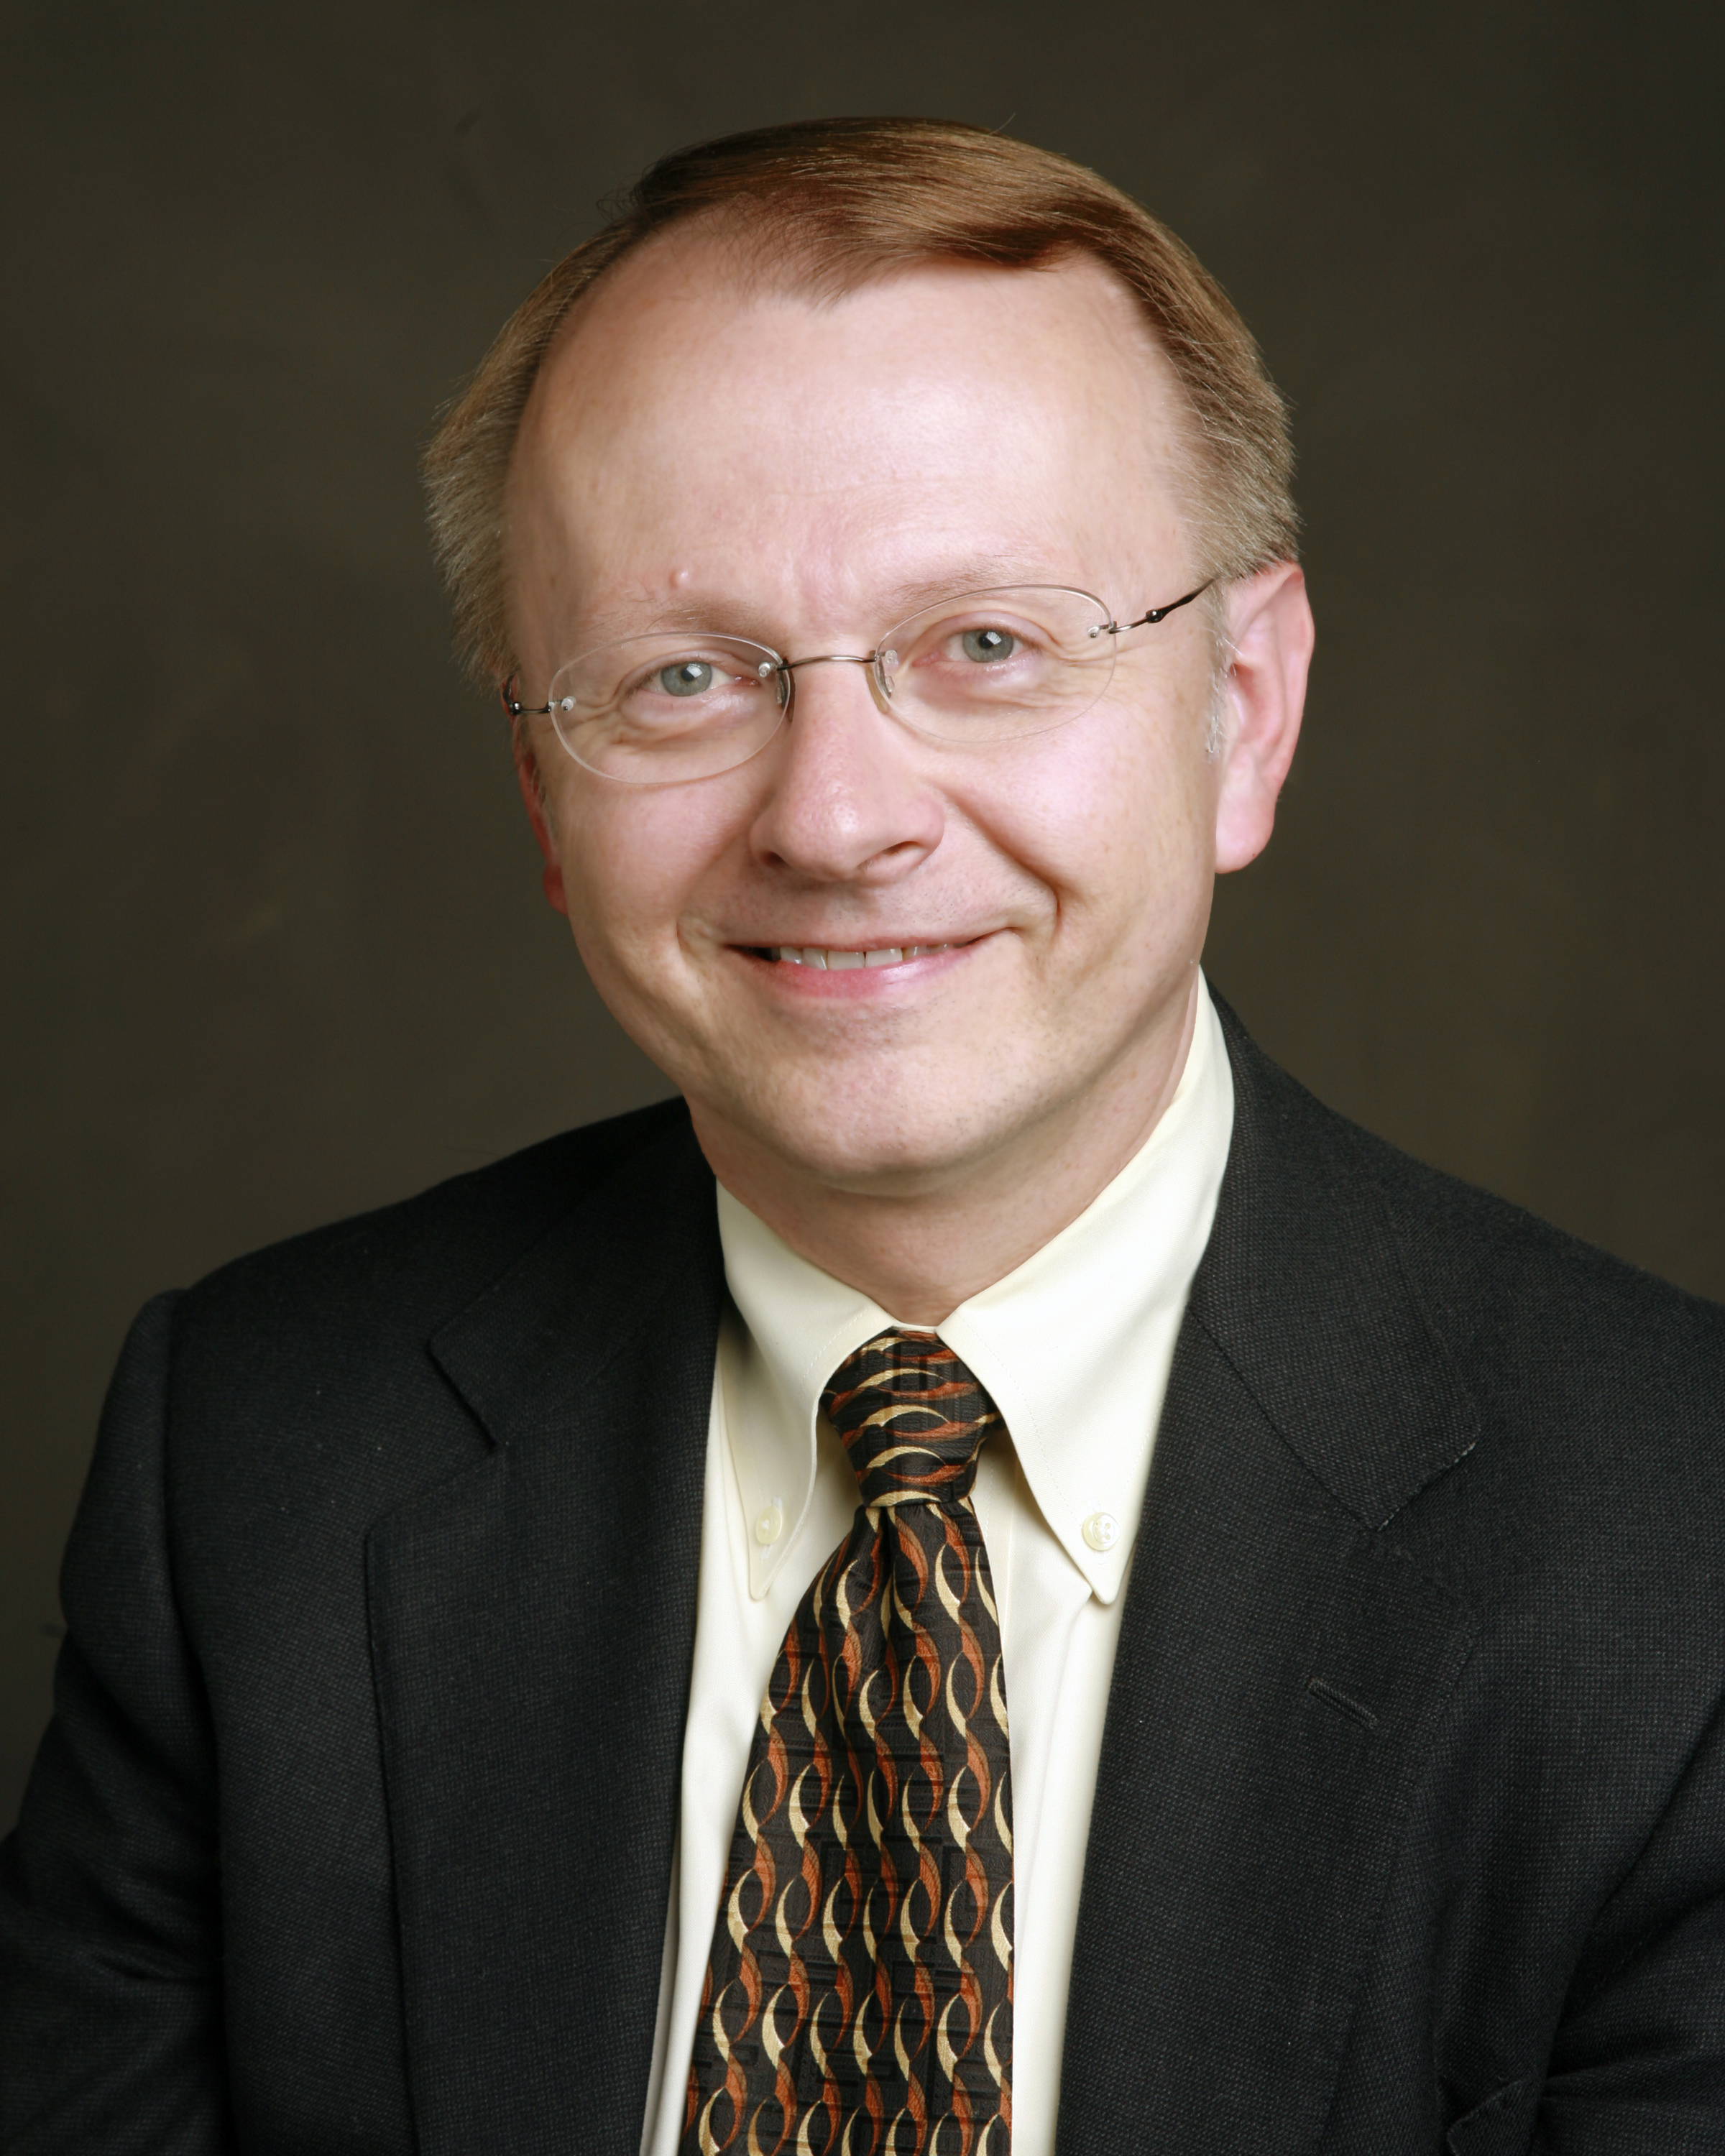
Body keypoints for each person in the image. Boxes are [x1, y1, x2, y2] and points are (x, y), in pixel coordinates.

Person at [2, 115, 1722, 2156]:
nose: (836, 818)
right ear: (548, 807)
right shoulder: (258, 1466)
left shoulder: (1676, 1551)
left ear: (1243, 711)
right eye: (681, 677)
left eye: (987, 644)